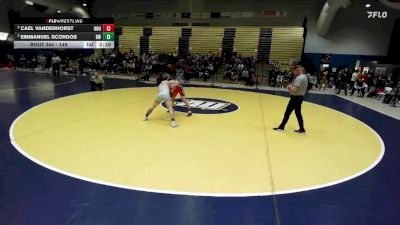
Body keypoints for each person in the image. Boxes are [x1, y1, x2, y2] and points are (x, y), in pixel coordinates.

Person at [273, 65, 309, 134]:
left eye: (294, 72)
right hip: (300, 98)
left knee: (287, 113)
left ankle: (281, 127)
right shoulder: (305, 77)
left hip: (295, 98)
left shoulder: (299, 78)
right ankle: (302, 129)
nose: (294, 74)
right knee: (298, 113)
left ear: (297, 70)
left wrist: (289, 87)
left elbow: (295, 90)